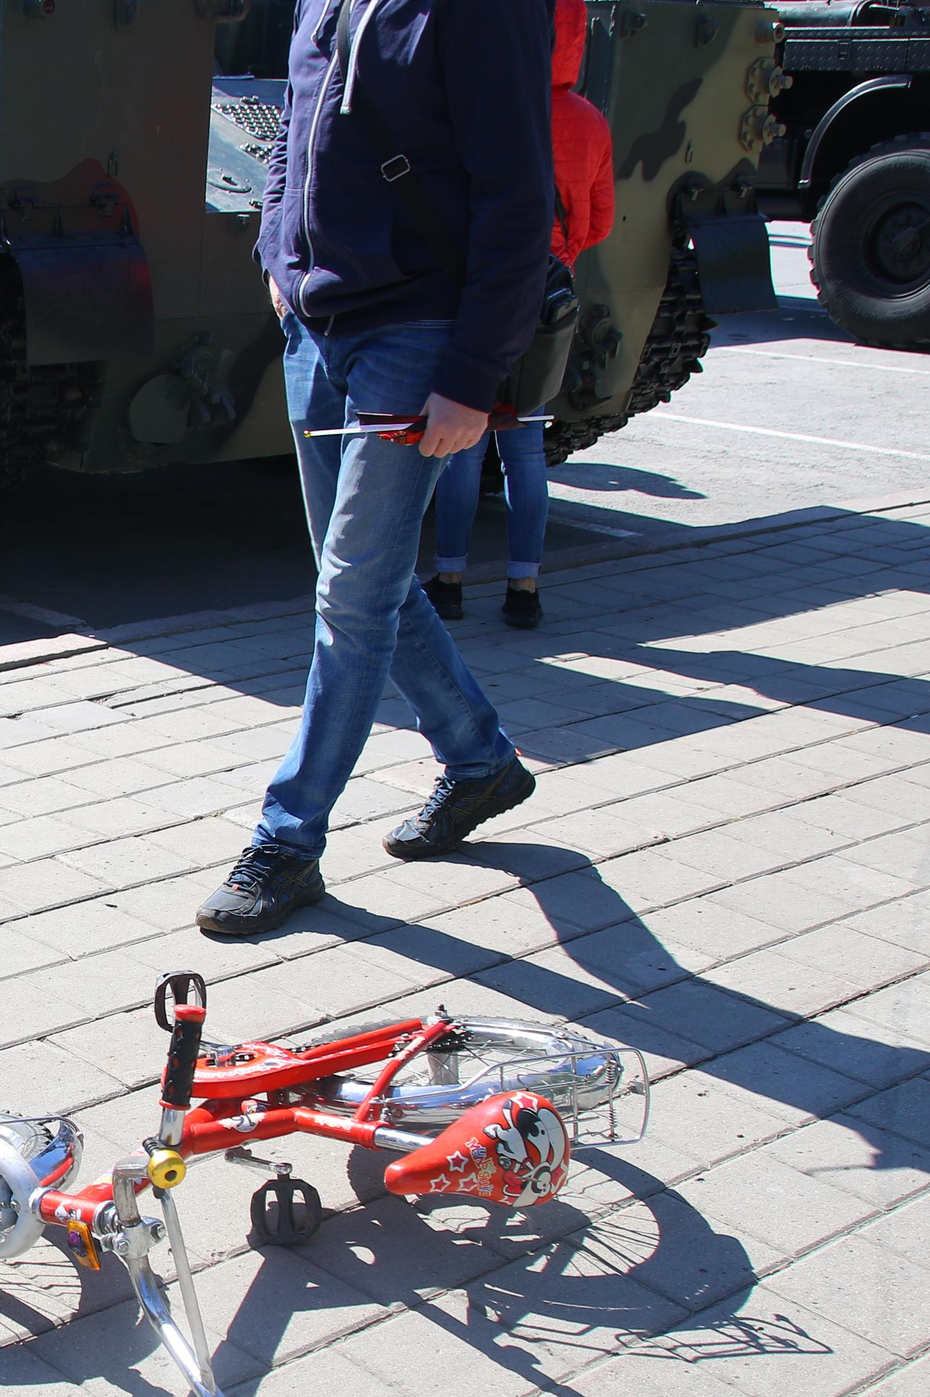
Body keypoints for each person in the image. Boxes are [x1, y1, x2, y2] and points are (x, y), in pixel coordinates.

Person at [196, 0, 553, 937]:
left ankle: (289, 838)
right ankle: (480, 760)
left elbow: (520, 193)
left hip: (417, 329)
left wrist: (473, 378)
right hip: (317, 324)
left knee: (352, 597)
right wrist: (277, 246)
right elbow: (290, 128)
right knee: (368, 583)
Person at [425, 0, 616, 631]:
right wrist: (558, 255)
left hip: (481, 293)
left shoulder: (492, 103)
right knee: (524, 451)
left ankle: (448, 581)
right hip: (547, 296)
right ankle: (523, 589)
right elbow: (599, 223)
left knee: (458, 451)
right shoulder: (589, 121)